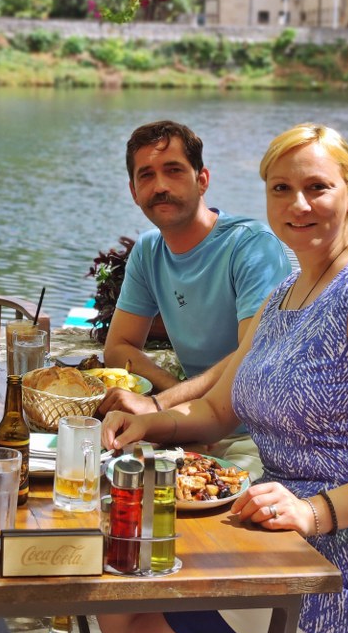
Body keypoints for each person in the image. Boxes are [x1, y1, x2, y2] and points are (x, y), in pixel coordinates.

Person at [100, 122, 348, 633]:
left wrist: (314, 511)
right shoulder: (281, 297)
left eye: (317, 187)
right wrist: (147, 423)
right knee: (116, 593)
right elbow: (216, 410)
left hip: (340, 562)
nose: (298, 204)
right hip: (269, 533)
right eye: (281, 188)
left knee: (135, 615)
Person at [98, 120, 289, 474]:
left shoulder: (250, 246)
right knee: (97, 471)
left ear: (202, 180)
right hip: (190, 423)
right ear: (133, 191)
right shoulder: (148, 251)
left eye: (173, 170)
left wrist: (160, 403)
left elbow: (250, 355)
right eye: (146, 175)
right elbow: (119, 347)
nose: (160, 186)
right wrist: (179, 399)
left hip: (257, 434)